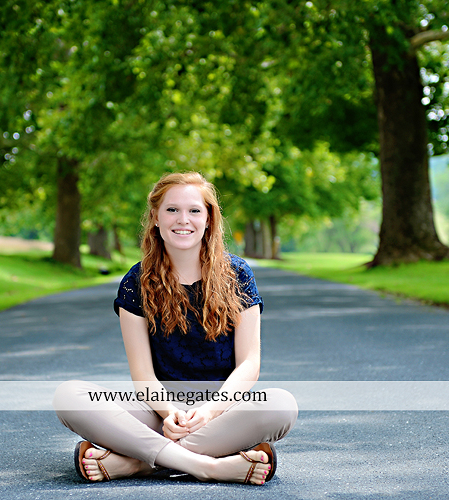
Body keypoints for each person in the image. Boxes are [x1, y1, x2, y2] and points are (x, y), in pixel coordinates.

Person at [53, 171, 298, 485]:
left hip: (223, 412)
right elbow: (143, 375)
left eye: (194, 210)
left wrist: (209, 412)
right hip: (158, 412)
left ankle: (137, 465)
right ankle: (209, 467)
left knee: (281, 405)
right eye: (172, 210)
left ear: (209, 219)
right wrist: (170, 413)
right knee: (69, 396)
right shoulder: (135, 282)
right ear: (156, 217)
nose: (184, 220)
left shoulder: (238, 274)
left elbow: (249, 364)